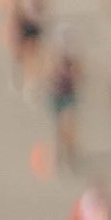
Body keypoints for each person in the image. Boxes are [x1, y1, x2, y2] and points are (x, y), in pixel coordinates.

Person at [46, 35, 82, 174]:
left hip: (68, 96)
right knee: (58, 129)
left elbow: (80, 77)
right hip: (56, 96)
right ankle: (59, 157)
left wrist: (73, 73)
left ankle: (69, 158)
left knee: (69, 127)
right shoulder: (52, 60)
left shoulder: (73, 62)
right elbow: (48, 76)